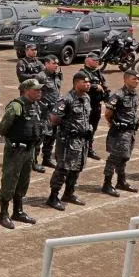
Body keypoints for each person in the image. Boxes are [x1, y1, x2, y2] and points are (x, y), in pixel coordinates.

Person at [0, 79, 43, 228]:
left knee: (23, 181)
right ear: (26, 90)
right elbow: (2, 129)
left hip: (29, 150)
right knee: (9, 181)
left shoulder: (35, 106)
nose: (39, 92)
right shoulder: (16, 106)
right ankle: (3, 214)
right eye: (36, 90)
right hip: (16, 150)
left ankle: (18, 211)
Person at [46, 72, 93, 210]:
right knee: (63, 169)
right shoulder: (66, 99)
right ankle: (53, 197)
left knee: (77, 167)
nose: (88, 84)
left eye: (88, 82)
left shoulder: (86, 98)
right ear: (76, 83)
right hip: (68, 141)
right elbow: (54, 118)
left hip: (82, 140)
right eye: (84, 82)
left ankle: (68, 193)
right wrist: (68, 128)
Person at [102, 70, 139, 196]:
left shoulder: (135, 95)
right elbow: (108, 114)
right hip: (119, 132)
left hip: (130, 132)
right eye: (134, 79)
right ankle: (107, 184)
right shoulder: (118, 95)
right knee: (114, 157)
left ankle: (121, 181)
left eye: (137, 79)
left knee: (124, 157)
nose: (137, 81)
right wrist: (113, 123)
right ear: (126, 79)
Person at [36, 55, 63, 172]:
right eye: (53, 63)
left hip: (54, 111)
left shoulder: (57, 76)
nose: (56, 65)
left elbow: (57, 91)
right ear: (46, 63)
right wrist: (41, 106)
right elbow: (35, 93)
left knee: (52, 135)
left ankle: (46, 158)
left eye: (57, 63)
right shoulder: (40, 77)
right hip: (43, 111)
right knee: (40, 136)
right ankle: (34, 161)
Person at [81, 51, 108, 160]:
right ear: (88, 61)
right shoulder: (82, 73)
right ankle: (82, 149)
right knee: (84, 128)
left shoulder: (98, 73)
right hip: (86, 106)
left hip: (96, 106)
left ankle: (89, 149)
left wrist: (108, 100)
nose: (97, 62)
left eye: (98, 60)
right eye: (95, 60)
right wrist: (93, 86)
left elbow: (105, 87)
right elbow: (79, 85)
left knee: (93, 129)